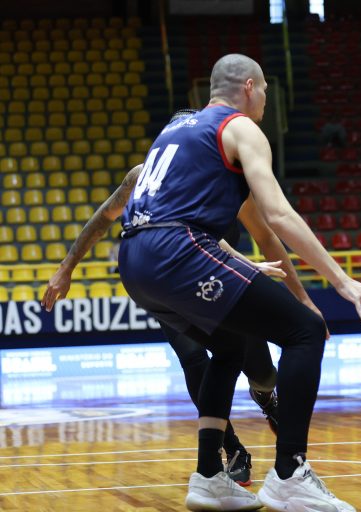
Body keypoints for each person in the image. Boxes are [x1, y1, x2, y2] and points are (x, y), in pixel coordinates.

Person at [118, 54, 361, 511]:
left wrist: (295, 291)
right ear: (249, 86)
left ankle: (209, 475)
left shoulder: (176, 129)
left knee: (229, 347)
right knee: (305, 331)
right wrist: (341, 280)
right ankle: (290, 473)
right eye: (264, 88)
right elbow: (278, 215)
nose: (266, 98)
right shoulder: (240, 127)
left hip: (132, 259)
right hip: (178, 251)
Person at [42, 109, 317, 485]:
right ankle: (231, 449)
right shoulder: (142, 178)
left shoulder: (222, 175)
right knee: (194, 360)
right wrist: (66, 266)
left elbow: (235, 235)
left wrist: (268, 275)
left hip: (219, 279)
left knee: (260, 370)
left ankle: (266, 397)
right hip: (175, 279)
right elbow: (104, 218)